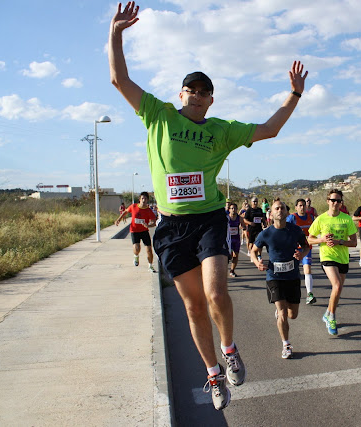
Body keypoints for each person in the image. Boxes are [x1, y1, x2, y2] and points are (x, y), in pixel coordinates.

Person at [109, 1, 308, 411]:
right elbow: (118, 79)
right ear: (180, 94)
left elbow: (269, 128)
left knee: (217, 294)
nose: (198, 95)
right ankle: (214, 372)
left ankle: (230, 348)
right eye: (191, 89)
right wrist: (115, 33)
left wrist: (294, 95)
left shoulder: (222, 130)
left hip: (210, 221)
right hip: (170, 227)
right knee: (193, 305)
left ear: (211, 100)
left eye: (205, 91)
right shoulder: (158, 116)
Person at [250, 200, 309, 359]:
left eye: (282, 208)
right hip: (274, 276)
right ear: (271, 213)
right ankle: (286, 344)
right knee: (282, 312)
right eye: (277, 208)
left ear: (287, 212)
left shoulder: (295, 230)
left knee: (293, 314)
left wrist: (301, 255)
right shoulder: (266, 233)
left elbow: (306, 246)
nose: (280, 210)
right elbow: (254, 251)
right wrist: (257, 262)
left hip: (292, 276)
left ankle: (281, 315)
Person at [307, 189, 357, 335]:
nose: (335, 203)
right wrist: (322, 239)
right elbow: (309, 239)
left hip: (342, 258)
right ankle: (332, 318)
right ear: (328, 201)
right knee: (337, 285)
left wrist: (339, 241)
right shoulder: (321, 219)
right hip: (327, 257)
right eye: (333, 200)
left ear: (341, 203)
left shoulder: (346, 219)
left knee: (338, 289)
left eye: (338, 201)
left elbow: (353, 242)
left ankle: (328, 313)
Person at [115, 191, 157, 271]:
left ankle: (150, 266)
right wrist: (118, 220)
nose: (144, 200)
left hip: (144, 231)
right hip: (134, 231)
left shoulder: (148, 210)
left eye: (145, 199)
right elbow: (125, 212)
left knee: (149, 249)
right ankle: (136, 256)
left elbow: (154, 222)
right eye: (142, 198)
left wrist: (148, 225)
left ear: (147, 200)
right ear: (139, 199)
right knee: (137, 248)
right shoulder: (133, 206)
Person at [286, 198, 316, 304]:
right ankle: (288, 293)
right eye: (300, 205)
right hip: (294, 249)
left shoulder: (310, 217)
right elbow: (285, 230)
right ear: (296, 207)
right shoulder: (292, 218)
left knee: (307, 269)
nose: (302, 207)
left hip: (306, 248)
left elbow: (315, 230)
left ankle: (309, 294)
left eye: (303, 205)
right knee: (292, 272)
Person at [227, 203, 245, 278]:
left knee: (236, 255)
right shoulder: (227, 218)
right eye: (232, 208)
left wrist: (243, 227)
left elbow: (243, 225)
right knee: (229, 256)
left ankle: (232, 270)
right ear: (229, 210)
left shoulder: (239, 218)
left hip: (236, 239)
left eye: (235, 208)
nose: (233, 210)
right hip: (228, 239)